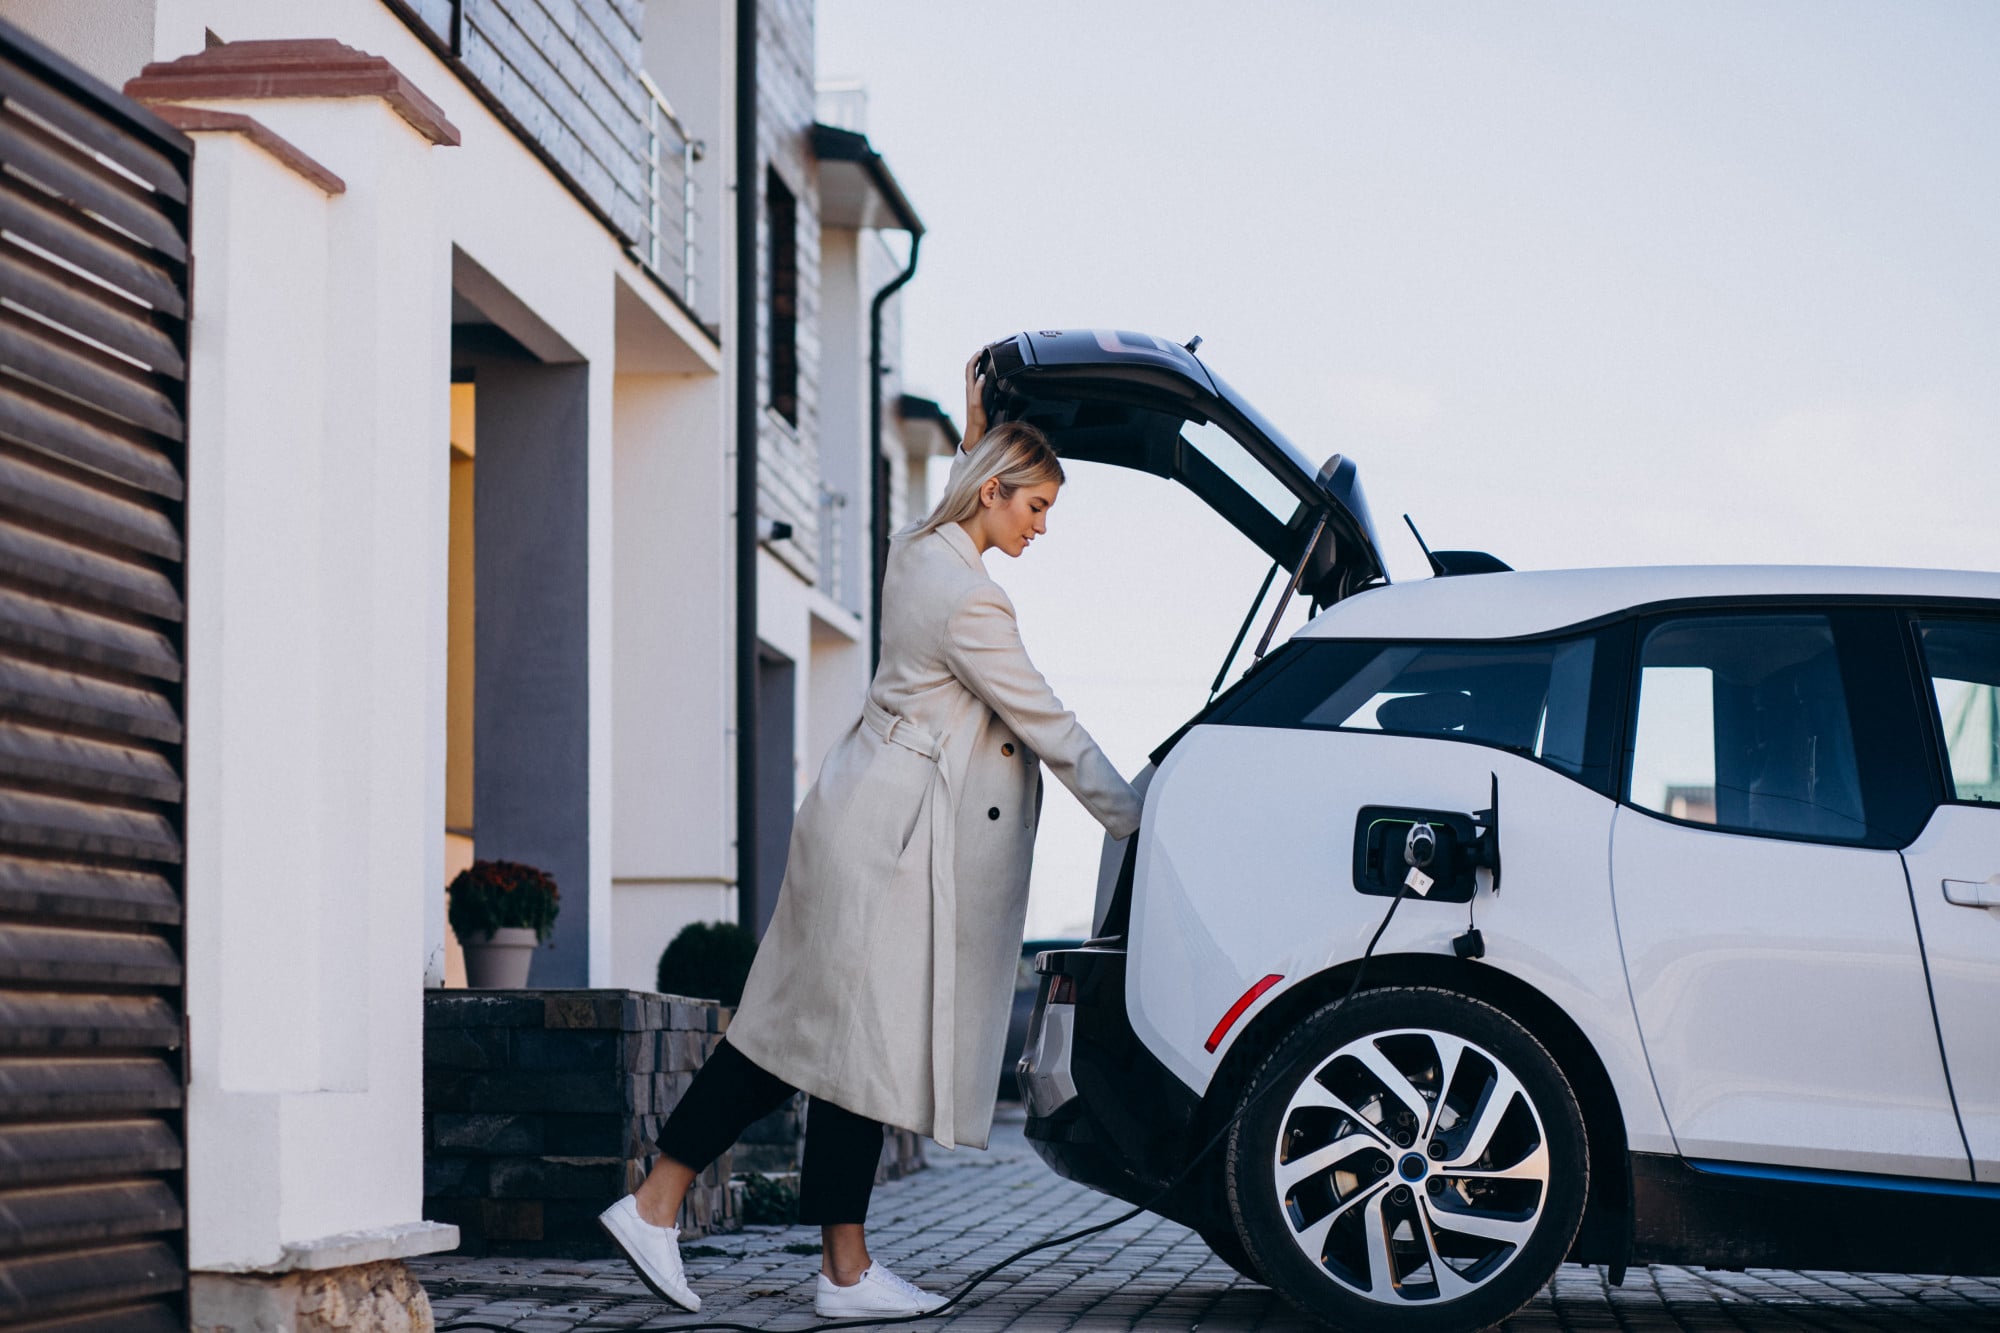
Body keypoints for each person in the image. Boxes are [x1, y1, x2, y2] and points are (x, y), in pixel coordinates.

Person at [598, 354, 1143, 1317]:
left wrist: (978, 429)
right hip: (886, 841)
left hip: (873, 820)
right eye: (1038, 506)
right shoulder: (972, 598)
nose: (1042, 526)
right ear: (997, 493)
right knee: (788, 1041)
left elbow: (961, 504)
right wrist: (1141, 821)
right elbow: (1046, 720)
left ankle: (844, 1270)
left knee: (854, 1051)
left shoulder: (920, 549)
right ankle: (656, 1203)